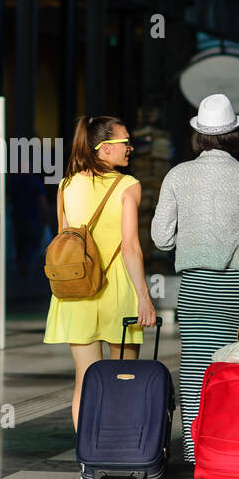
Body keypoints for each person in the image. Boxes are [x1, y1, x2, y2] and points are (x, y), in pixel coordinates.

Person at [151, 94, 239, 465]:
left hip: (195, 290)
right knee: (238, 373)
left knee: (195, 376)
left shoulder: (177, 175)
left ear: (198, 135)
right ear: (234, 134)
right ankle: (234, 452)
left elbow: (160, 237)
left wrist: (187, 242)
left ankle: (197, 455)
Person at [44, 115, 157, 460]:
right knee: (123, 378)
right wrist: (145, 297)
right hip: (118, 292)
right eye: (125, 142)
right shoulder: (128, 186)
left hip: (76, 292)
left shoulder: (65, 186)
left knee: (85, 380)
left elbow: (66, 241)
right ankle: (121, 454)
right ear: (104, 148)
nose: (130, 148)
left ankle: (87, 460)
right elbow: (131, 247)